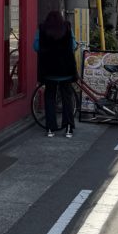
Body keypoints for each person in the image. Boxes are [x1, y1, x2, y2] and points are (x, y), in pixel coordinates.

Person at [34, 10, 78, 138]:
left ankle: (50, 128)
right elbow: (73, 45)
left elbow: (36, 46)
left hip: (49, 71)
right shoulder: (67, 27)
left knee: (50, 98)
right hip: (65, 70)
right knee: (67, 99)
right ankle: (68, 128)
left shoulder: (42, 29)